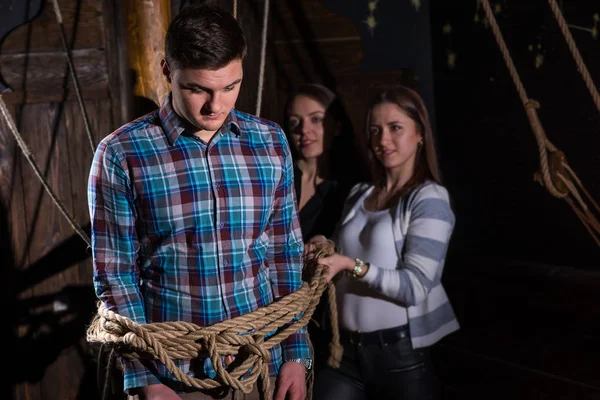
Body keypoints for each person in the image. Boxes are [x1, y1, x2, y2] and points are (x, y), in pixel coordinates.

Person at [88, 5, 310, 400]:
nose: (216, 106)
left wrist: (295, 354)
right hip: (173, 376)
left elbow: (283, 255)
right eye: (198, 89)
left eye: (230, 86)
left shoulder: (271, 142)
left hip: (258, 367)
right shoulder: (121, 154)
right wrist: (146, 380)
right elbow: (116, 275)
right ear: (167, 72)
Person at [309, 86, 459, 400]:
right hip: (344, 353)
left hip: (399, 357)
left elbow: (415, 287)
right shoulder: (360, 193)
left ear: (420, 134)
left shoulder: (429, 198)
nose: (383, 140)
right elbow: (339, 249)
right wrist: (324, 244)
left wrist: (351, 265)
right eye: (375, 130)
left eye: (395, 128)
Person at [283, 84, 364, 372]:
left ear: (337, 125)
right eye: (295, 123)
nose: (304, 130)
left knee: (310, 376)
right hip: (276, 308)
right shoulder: (278, 179)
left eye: (316, 119)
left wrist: (324, 241)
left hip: (320, 314)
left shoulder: (353, 189)